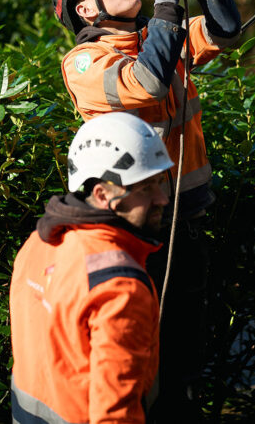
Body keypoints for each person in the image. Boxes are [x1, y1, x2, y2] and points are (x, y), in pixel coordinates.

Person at [51, 0, 241, 422]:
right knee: (141, 367)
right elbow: (147, 82)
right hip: (140, 234)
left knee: (181, 365)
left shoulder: (158, 37)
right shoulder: (86, 62)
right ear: (84, 10)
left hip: (188, 221)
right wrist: (165, 0)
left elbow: (227, 30)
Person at [10, 112, 174, 424]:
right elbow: (115, 415)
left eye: (159, 182)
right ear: (102, 195)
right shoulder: (120, 287)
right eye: (145, 189)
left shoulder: (40, 243)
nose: (162, 199)